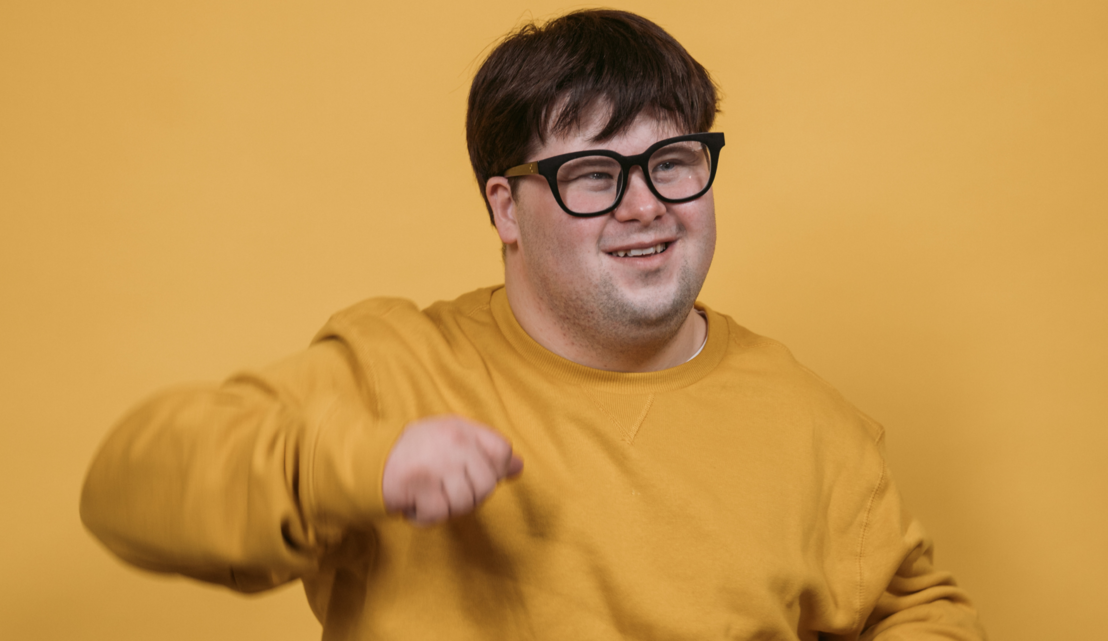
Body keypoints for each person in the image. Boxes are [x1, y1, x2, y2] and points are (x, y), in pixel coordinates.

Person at [81, 9, 987, 640]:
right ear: (506, 208)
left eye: (673, 162)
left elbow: (915, 607)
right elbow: (129, 487)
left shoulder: (808, 417)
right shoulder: (396, 367)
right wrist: (367, 465)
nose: (647, 208)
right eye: (595, 174)